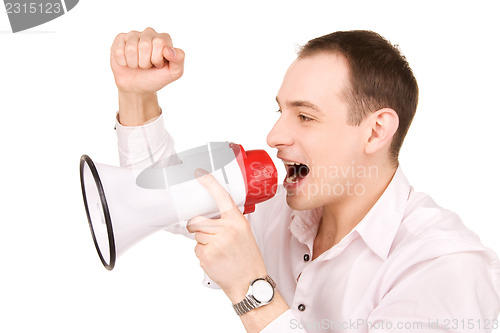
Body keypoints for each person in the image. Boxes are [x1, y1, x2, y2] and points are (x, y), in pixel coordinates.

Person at [110, 27, 500, 332]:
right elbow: (157, 202)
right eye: (280, 111)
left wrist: (252, 290)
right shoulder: (276, 209)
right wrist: (136, 96)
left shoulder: (445, 267)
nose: (274, 136)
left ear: (377, 131)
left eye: (306, 116)